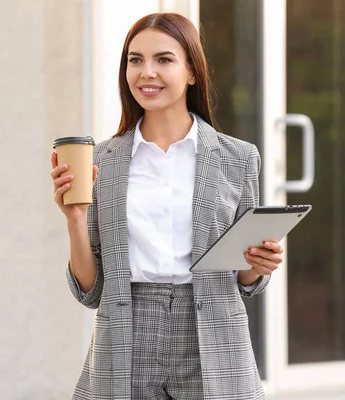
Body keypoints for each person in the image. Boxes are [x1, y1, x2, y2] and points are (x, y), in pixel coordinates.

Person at [51, 12, 283, 400]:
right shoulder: (102, 161)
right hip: (126, 330)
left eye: (164, 59)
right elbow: (91, 291)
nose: (147, 73)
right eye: (135, 60)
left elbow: (246, 282)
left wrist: (257, 264)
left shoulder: (238, 158)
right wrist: (75, 219)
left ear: (192, 71)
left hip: (211, 332)